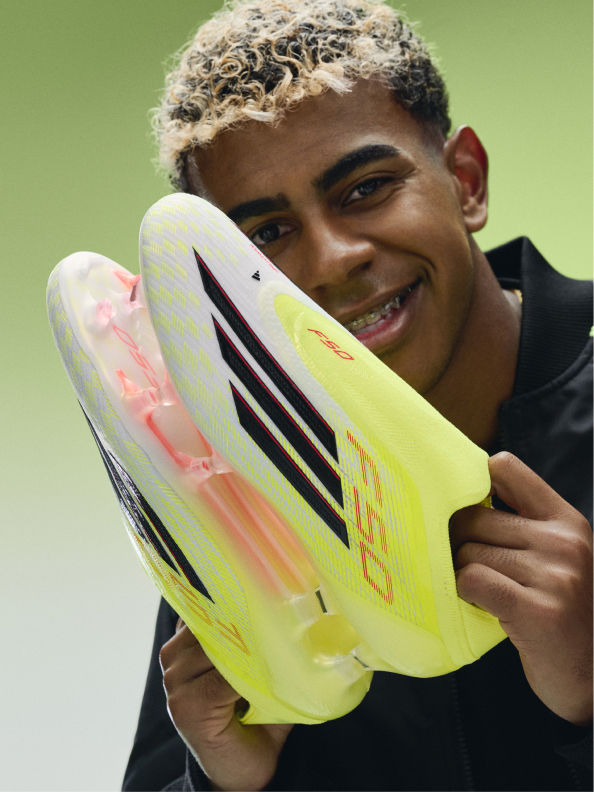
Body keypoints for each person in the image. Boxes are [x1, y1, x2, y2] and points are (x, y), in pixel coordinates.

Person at [123, 1, 593, 789]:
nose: (330, 261)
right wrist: (224, 780)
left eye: (366, 188)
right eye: (266, 236)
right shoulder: (244, 486)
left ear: (466, 181)